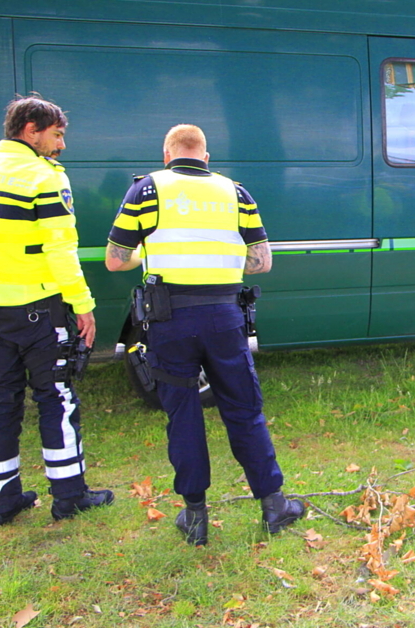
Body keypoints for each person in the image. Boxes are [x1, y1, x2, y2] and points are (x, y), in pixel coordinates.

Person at [105, 124, 304, 546]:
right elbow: (261, 262)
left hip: (169, 322)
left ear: (166, 155)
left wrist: (150, 250)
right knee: (244, 410)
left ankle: (195, 516)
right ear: (206, 156)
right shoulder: (236, 192)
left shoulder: (146, 190)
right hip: (224, 319)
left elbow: (115, 260)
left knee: (184, 414)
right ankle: (273, 504)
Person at [0, 95, 114, 525]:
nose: (62, 145)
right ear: (31, 129)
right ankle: (69, 496)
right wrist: (83, 306)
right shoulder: (45, 178)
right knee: (55, 398)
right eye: (57, 135)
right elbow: (60, 249)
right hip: (38, 308)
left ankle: (1, 501)